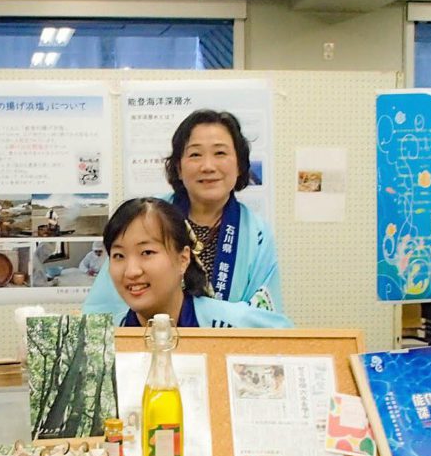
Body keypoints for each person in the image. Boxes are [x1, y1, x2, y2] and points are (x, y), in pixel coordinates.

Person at [83, 109, 283, 316]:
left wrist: (198, 315)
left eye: (220, 153)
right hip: (148, 342)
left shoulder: (257, 234)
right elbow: (106, 306)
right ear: (178, 167)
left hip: (224, 346)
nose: (208, 166)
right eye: (195, 154)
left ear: (240, 165)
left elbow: (265, 316)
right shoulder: (146, 217)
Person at [86, 197, 292, 329]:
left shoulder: (230, 325)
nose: (131, 271)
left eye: (147, 252)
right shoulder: (108, 337)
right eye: (119, 256)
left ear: (183, 259)